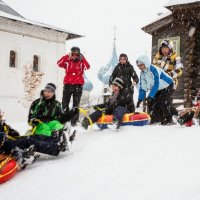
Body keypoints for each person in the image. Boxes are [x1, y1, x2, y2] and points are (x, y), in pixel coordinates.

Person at [136, 55, 177, 125]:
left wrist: (150, 96)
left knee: (163, 102)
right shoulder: (142, 73)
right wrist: (140, 99)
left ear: (145, 63)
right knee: (151, 102)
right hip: (158, 88)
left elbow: (156, 84)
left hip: (168, 85)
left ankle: (169, 119)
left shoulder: (153, 69)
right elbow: (142, 87)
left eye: (141, 65)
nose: (140, 67)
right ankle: (156, 119)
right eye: (138, 66)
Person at [57, 47, 90, 126]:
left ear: (79, 55)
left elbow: (87, 67)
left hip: (78, 85)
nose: (74, 56)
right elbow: (59, 63)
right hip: (68, 84)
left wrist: (83, 58)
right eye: (73, 54)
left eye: (76, 54)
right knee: (65, 103)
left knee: (76, 104)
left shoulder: (81, 61)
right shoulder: (67, 61)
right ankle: (65, 120)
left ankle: (74, 121)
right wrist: (66, 57)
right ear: (71, 54)